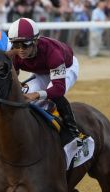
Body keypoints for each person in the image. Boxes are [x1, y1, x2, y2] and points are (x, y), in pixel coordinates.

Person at [7, 17, 85, 146]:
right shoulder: (14, 53)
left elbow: (58, 89)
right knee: (23, 93)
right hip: (42, 71)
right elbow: (13, 78)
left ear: (35, 41)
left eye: (25, 44)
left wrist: (36, 95)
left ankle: (74, 133)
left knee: (50, 98)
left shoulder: (54, 53)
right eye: (16, 44)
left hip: (66, 67)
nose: (20, 49)